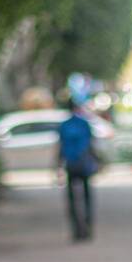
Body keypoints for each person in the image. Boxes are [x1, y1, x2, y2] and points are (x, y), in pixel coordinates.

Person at [57, 98, 98, 241]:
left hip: (71, 164)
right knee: (87, 197)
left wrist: (58, 166)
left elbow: (61, 147)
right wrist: (96, 161)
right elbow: (91, 144)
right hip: (84, 164)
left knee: (72, 199)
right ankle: (87, 227)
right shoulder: (84, 124)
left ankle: (76, 229)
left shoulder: (64, 125)